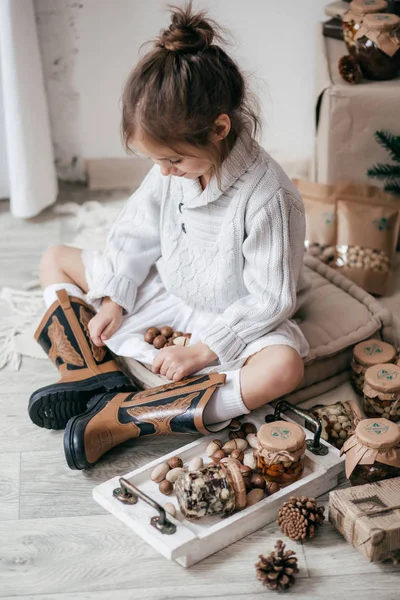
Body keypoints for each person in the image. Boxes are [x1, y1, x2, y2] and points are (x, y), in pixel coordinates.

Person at [30, 2, 310, 470]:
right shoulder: (169, 171)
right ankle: (93, 377)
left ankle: (127, 418)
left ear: (220, 128)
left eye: (174, 161)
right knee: (55, 258)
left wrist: (202, 350)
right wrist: (116, 297)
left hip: (231, 316)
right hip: (171, 288)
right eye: (155, 161)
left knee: (285, 368)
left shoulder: (268, 198)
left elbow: (270, 299)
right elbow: (137, 231)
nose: (164, 172)